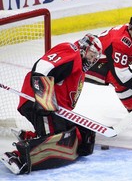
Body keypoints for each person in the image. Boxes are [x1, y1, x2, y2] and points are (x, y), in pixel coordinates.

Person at [1, 35, 102, 174]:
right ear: (84, 47)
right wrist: (44, 98)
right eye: (92, 54)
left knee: (79, 136)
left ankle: (31, 136)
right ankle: (16, 156)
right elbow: (42, 67)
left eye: (95, 57)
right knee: (55, 139)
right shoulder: (71, 51)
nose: (92, 60)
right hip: (37, 100)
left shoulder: (80, 69)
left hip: (51, 105)